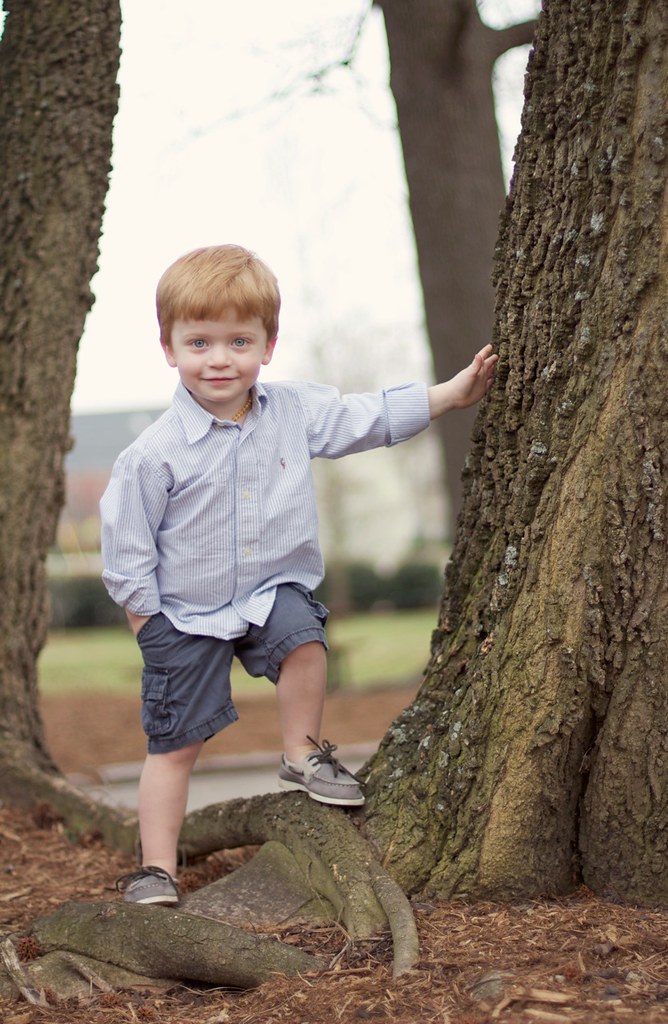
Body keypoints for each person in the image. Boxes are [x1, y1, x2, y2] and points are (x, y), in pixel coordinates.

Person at [100, 243, 497, 906]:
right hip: (183, 613)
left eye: (238, 341)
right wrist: (147, 624)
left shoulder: (291, 412)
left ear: (268, 345)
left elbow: (361, 417)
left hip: (267, 592)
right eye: (199, 342)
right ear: (168, 348)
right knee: (173, 745)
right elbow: (127, 548)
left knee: (305, 640)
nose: (219, 359)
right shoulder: (151, 456)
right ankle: (157, 868)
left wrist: (446, 397)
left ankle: (302, 753)